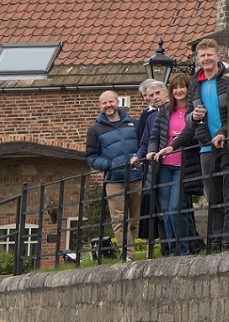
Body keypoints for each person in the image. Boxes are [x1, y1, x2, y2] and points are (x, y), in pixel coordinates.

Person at [184, 37, 229, 249]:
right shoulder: (195, 83)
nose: (206, 59)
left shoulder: (228, 80)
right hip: (206, 146)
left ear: (218, 56)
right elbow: (188, 114)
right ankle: (215, 242)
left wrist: (223, 133)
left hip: (228, 142)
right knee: (214, 198)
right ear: (197, 59)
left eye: (210, 55)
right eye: (202, 56)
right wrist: (194, 118)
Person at [84, 90, 140, 259]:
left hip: (137, 177)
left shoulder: (134, 123)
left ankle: (137, 249)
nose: (108, 105)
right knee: (119, 220)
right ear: (100, 106)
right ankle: (128, 256)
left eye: (111, 102)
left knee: (137, 219)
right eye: (104, 103)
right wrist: (109, 165)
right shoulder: (95, 130)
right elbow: (91, 157)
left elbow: (143, 146)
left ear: (117, 102)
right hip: (114, 180)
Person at [148, 72, 196, 255]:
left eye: (182, 86)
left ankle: (183, 249)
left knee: (177, 207)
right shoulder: (166, 110)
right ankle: (172, 250)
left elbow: (195, 134)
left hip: (183, 165)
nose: (178, 90)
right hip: (164, 165)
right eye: (175, 87)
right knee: (166, 211)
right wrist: (152, 150)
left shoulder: (194, 109)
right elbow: (155, 135)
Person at [128, 78, 167, 249]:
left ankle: (181, 244)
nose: (155, 97)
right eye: (151, 95)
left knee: (173, 206)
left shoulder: (176, 112)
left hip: (173, 163)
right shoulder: (151, 118)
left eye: (158, 93)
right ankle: (166, 246)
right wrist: (138, 156)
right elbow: (146, 142)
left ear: (165, 93)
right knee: (158, 207)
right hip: (155, 167)